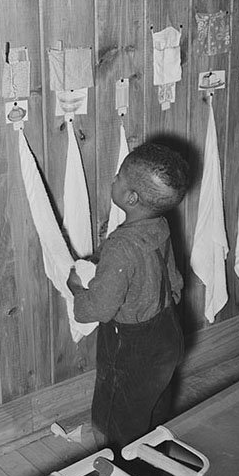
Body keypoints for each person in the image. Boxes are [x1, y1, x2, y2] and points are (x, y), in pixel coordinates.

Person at [67, 141, 189, 451]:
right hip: (167, 335)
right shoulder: (160, 225)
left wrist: (77, 289)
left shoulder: (121, 245)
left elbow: (97, 309)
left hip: (131, 349)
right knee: (153, 404)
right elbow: (174, 281)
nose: (114, 179)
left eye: (118, 176)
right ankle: (155, 458)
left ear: (130, 198)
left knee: (114, 418)